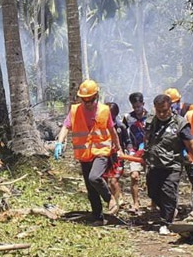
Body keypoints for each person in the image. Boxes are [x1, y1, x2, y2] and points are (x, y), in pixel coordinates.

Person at [55, 80, 123, 225]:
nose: (87, 104)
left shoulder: (104, 110)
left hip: (101, 151)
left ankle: (110, 198)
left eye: (90, 100)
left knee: (94, 177)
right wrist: (59, 143)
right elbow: (66, 127)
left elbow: (112, 131)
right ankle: (98, 217)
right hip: (85, 154)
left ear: (96, 97)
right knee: (90, 188)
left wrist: (118, 148)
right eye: (84, 100)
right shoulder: (75, 110)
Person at [144, 94, 193, 235]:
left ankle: (166, 222)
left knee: (168, 193)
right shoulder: (150, 121)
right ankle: (170, 210)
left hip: (172, 165)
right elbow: (147, 138)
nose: (161, 114)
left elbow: (190, 144)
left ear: (170, 108)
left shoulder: (180, 124)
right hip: (154, 164)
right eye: (158, 111)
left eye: (164, 111)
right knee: (153, 192)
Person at [123, 92, 147, 213]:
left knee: (152, 177)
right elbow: (122, 133)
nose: (137, 109)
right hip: (134, 152)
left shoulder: (151, 117)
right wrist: (129, 148)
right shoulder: (128, 118)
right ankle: (135, 203)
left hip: (149, 151)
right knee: (134, 176)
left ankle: (154, 203)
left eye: (139, 106)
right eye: (134, 107)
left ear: (143, 104)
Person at [103, 102, 127, 210]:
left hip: (117, 158)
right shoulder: (100, 125)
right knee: (103, 180)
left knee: (113, 181)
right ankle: (111, 200)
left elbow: (127, 141)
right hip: (104, 156)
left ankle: (119, 202)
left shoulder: (121, 127)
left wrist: (129, 151)